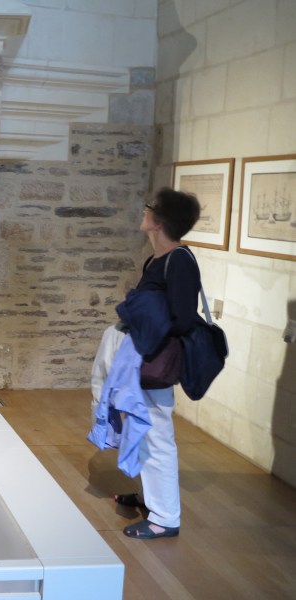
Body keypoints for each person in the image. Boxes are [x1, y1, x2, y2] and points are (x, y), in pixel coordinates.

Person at [114, 187, 202, 539]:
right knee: (142, 426)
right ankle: (150, 498)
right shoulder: (157, 259)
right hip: (145, 355)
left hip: (158, 359)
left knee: (158, 434)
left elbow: (183, 318)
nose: (144, 211)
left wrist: (143, 319)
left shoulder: (179, 260)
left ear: (159, 221)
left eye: (149, 207)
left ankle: (164, 517)